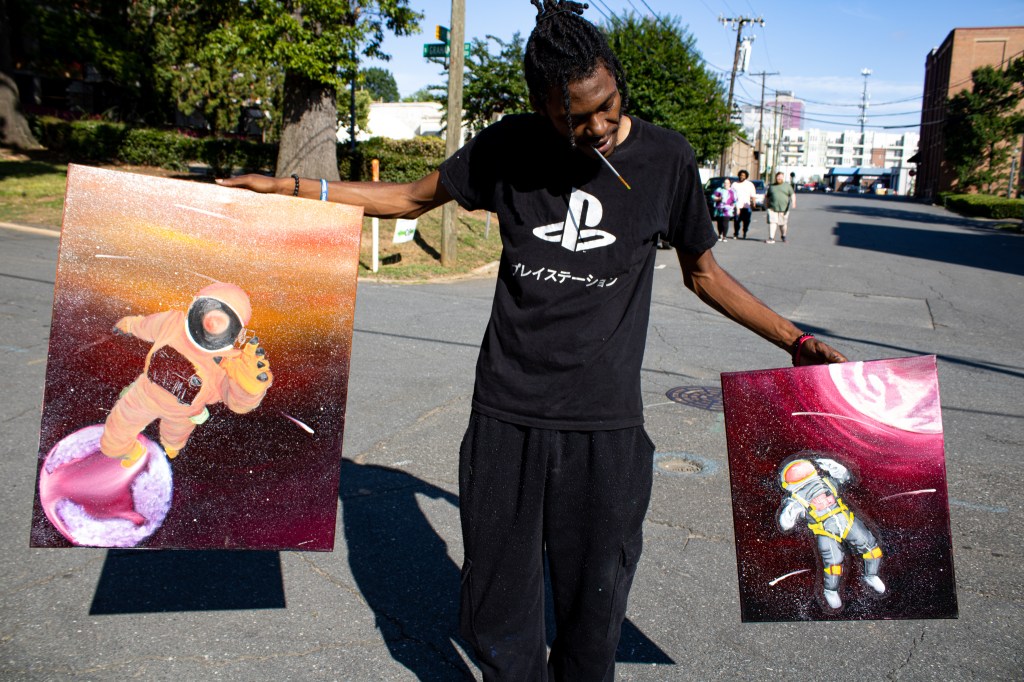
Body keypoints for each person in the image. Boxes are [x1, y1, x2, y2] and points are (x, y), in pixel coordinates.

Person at [220, 2, 846, 678]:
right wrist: (287, 188)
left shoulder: (667, 158)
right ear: (541, 108)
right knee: (498, 613)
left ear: (617, 82)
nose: (596, 128)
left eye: (606, 107)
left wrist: (794, 340)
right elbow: (406, 198)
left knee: (593, 613)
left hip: (605, 428)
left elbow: (705, 275)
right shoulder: (509, 147)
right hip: (505, 418)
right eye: (574, 119)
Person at [765, 171, 796, 243]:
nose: (779, 178)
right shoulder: (771, 186)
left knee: (782, 224)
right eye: (778, 177)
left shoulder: (787, 186)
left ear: (783, 178)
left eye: (781, 177)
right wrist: (766, 204)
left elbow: (792, 194)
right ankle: (771, 238)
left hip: (784, 209)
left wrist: (793, 202)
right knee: (773, 222)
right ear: (776, 177)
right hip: (772, 208)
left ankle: (783, 235)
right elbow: (767, 196)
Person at [731, 169, 756, 239]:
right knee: (736, 220)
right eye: (741, 175)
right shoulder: (734, 184)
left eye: (743, 176)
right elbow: (731, 194)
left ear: (746, 177)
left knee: (746, 221)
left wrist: (754, 203)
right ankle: (736, 233)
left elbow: (753, 195)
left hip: (746, 206)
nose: (742, 177)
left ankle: (745, 232)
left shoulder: (749, 184)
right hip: (737, 206)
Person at [711, 177, 735, 241]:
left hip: (727, 210)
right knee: (719, 222)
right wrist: (718, 198)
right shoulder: (719, 189)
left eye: (727, 183)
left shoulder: (732, 191)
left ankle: (724, 236)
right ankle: (720, 234)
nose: (726, 184)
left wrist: (735, 208)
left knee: (725, 223)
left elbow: (735, 200)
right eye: (725, 183)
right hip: (719, 208)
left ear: (730, 184)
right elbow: (712, 196)